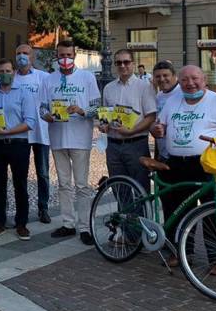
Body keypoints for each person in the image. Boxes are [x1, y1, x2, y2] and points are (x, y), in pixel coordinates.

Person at [153, 65, 216, 273]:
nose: (190, 83)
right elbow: (160, 127)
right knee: (177, 210)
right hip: (177, 163)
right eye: (185, 80)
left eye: (195, 79)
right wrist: (158, 129)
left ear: (204, 79)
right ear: (180, 81)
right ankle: (180, 251)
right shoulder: (172, 101)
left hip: (208, 164)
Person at [40, 39, 100, 245]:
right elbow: (41, 108)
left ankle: (85, 227)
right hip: (58, 137)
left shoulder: (87, 77)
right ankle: (68, 223)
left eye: (68, 55)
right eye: (61, 55)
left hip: (80, 138)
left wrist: (82, 111)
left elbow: (96, 107)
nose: (65, 59)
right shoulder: (49, 79)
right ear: (56, 56)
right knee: (64, 184)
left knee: (82, 185)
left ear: (75, 56)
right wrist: (46, 115)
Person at [0, 59, 36, 240]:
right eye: (1, 70)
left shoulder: (24, 94)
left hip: (18, 143)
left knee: (20, 184)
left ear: (13, 72)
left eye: (8, 70)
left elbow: (30, 122)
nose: (5, 73)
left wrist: (8, 131)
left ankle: (22, 224)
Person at [100, 48, 157, 193]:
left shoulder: (144, 87)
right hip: (113, 146)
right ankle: (124, 215)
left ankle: (142, 216)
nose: (122, 66)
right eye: (118, 63)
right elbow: (106, 115)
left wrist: (131, 131)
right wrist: (104, 125)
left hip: (136, 144)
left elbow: (151, 116)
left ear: (133, 63)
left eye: (126, 62)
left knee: (141, 189)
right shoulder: (108, 88)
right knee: (119, 189)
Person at [14, 43, 52, 224]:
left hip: (41, 133)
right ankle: (22, 210)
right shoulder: (10, 78)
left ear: (32, 57)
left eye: (25, 53)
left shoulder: (44, 77)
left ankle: (43, 207)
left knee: (43, 173)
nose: (22, 56)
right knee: (20, 174)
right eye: (19, 53)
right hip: (19, 134)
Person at [151, 61, 180, 161]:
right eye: (158, 76)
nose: (162, 79)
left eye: (165, 75)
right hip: (163, 153)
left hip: (180, 155)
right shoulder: (158, 95)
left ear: (174, 76)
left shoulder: (183, 93)